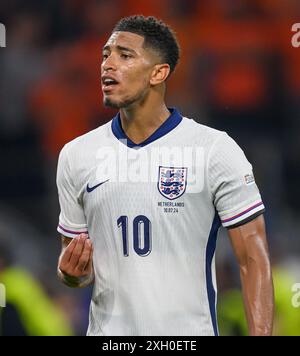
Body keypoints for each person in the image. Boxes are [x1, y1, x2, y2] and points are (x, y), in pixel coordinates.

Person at [56, 15, 274, 336]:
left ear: (159, 73)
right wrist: (73, 274)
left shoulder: (213, 150)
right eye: (105, 55)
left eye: (124, 55)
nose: (108, 64)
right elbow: (74, 267)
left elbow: (253, 259)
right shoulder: (77, 154)